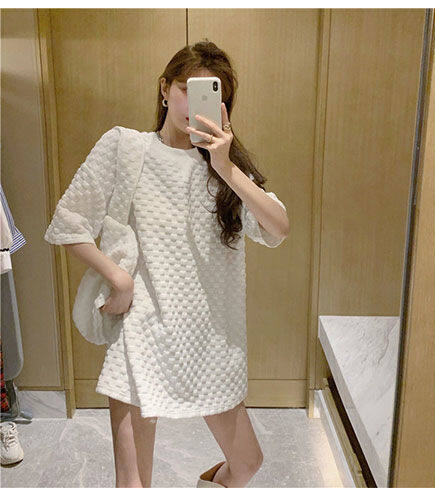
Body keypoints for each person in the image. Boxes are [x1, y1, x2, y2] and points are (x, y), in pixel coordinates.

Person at [44, 40, 289, 488]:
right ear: (164, 89)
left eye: (211, 95)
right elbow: (69, 221)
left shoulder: (226, 170)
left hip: (211, 342)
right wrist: (118, 279)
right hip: (142, 336)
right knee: (134, 487)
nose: (192, 105)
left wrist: (225, 166)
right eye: (184, 90)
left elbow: (278, 228)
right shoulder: (126, 148)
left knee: (247, 462)